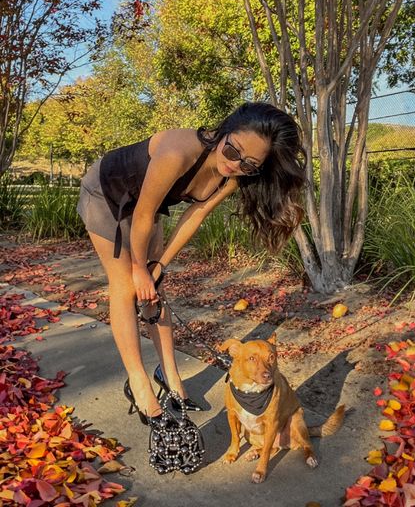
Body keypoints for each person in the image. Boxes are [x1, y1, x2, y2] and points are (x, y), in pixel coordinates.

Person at [77, 101, 306, 424]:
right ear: (224, 131)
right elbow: (142, 213)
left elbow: (195, 215)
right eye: (232, 152)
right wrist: (140, 268)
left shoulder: (233, 176)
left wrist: (158, 268)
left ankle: (171, 379)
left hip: (144, 207)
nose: (236, 165)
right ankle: (138, 381)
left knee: (154, 289)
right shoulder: (177, 152)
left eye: (250, 165)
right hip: (106, 194)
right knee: (126, 285)